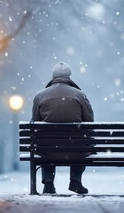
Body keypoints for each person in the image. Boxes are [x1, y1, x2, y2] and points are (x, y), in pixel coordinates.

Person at [31, 62, 94, 194]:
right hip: (76, 150)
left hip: (48, 149)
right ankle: (75, 180)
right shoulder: (80, 95)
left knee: (44, 142)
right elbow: (90, 122)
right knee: (83, 141)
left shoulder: (40, 96)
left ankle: (48, 183)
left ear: (53, 77)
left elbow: (35, 123)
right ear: (69, 76)